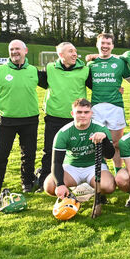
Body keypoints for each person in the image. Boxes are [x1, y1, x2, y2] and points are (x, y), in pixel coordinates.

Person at [0, 40, 44, 194]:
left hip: (30, 119)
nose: (14, 52)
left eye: (17, 49)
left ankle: (27, 184)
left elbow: (57, 81)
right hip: (6, 121)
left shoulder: (33, 71)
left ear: (25, 51)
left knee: (29, 155)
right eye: (11, 49)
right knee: (0, 154)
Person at [37, 42, 91, 190]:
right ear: (61, 55)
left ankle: (85, 179)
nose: (75, 54)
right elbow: (35, 82)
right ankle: (45, 179)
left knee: (80, 151)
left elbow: (97, 87)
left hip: (77, 119)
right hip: (54, 117)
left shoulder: (85, 70)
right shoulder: (49, 69)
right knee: (50, 150)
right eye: (70, 51)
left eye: (75, 51)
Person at [44, 98, 115, 206]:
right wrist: (60, 184)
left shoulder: (101, 129)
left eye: (86, 112)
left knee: (108, 186)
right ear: (72, 113)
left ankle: (97, 191)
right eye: (79, 112)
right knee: (49, 186)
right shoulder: (63, 133)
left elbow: (110, 155)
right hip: (72, 167)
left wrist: (104, 140)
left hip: (94, 166)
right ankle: (71, 197)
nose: (83, 115)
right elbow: (56, 162)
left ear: (91, 113)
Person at [88, 33, 130, 173]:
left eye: (108, 43)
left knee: (117, 144)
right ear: (97, 45)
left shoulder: (120, 62)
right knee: (98, 143)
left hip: (115, 107)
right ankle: (102, 173)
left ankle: (118, 172)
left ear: (112, 46)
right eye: (102, 43)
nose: (105, 46)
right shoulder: (91, 63)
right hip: (96, 108)